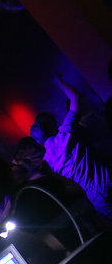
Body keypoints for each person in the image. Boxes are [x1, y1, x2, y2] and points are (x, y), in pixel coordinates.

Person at [30, 74, 112, 221]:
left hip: (96, 198)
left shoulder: (48, 161)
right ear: (52, 125)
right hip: (108, 178)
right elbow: (75, 97)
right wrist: (59, 82)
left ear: (38, 141)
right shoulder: (65, 132)